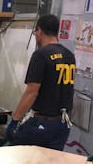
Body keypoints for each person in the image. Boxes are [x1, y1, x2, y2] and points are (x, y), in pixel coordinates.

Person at [6, 14, 75, 151]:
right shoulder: (69, 55)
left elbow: (32, 92)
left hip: (42, 125)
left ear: (40, 31)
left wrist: (14, 121)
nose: (36, 35)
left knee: (16, 154)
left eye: (35, 32)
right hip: (62, 125)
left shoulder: (40, 55)